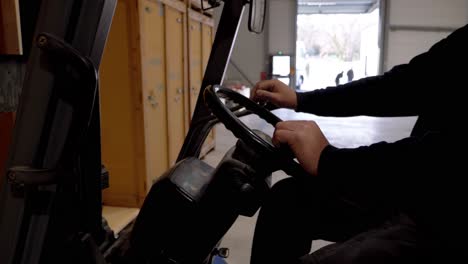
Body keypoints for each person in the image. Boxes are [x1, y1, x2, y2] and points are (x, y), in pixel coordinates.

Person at [249, 23, 468, 264]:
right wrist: (301, 99)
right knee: (287, 202)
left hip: (445, 216)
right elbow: (402, 86)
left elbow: (449, 157)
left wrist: (329, 160)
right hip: (420, 188)